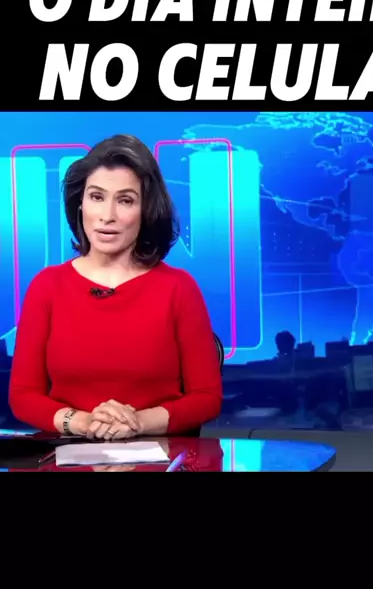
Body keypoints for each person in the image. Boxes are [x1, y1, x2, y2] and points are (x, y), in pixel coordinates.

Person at [8, 134, 223, 439]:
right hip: (67, 451)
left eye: (125, 200)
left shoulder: (179, 288)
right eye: (96, 197)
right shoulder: (47, 287)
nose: (107, 216)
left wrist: (137, 422)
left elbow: (206, 398)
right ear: (80, 204)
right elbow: (23, 396)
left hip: (156, 452)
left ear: (146, 210)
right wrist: (83, 422)